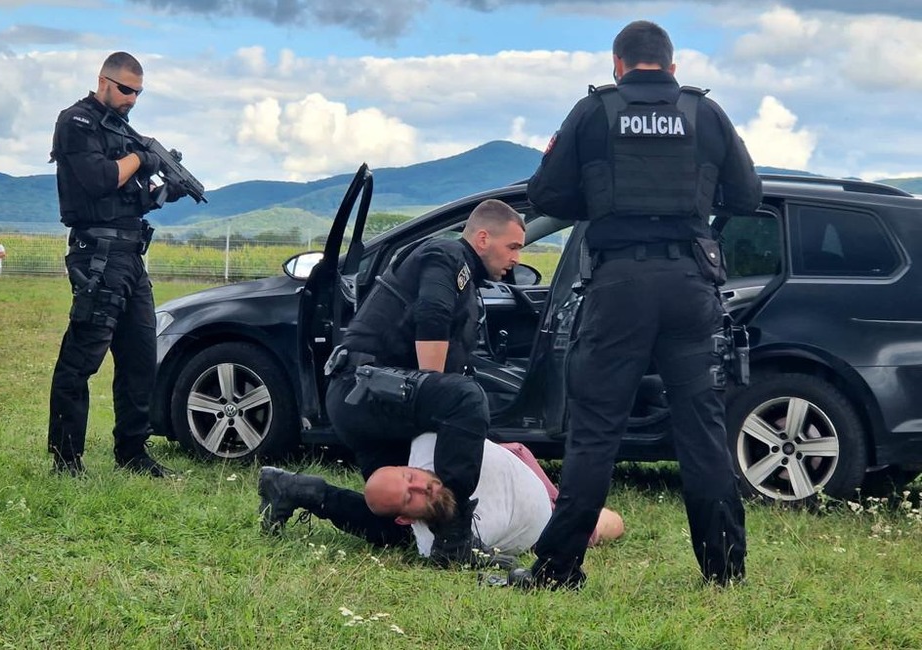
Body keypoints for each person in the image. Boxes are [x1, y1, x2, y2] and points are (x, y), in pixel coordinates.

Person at [511, 20, 763, 590]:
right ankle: (725, 573)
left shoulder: (593, 111)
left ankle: (557, 571)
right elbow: (748, 196)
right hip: (690, 283)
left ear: (617, 66)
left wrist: (603, 203)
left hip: (619, 284)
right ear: (672, 68)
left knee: (596, 431)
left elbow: (544, 194)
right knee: (701, 431)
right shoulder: (706, 114)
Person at [259, 198, 527, 566]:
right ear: (483, 238)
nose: (516, 257)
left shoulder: (466, 275)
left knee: (402, 522)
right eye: (513, 246)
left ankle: (296, 490)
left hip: (368, 399)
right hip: (366, 388)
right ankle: (454, 541)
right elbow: (432, 314)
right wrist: (435, 393)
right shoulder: (447, 254)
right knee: (464, 399)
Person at [46, 51, 186, 478]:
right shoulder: (77, 122)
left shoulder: (123, 130)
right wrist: (143, 158)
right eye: (126, 89)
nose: (131, 99)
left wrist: (167, 188)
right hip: (97, 255)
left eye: (138, 93)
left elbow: (133, 196)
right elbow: (101, 179)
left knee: (141, 356)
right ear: (103, 80)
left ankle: (132, 451)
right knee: (82, 357)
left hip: (129, 256)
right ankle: (66, 459)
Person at [362, 433, 625, 558]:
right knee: (608, 524)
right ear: (404, 519)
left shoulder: (426, 441)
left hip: (516, 458)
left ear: (405, 466)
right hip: (540, 514)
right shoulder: (441, 545)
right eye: (410, 497)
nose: (422, 487)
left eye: (410, 477)